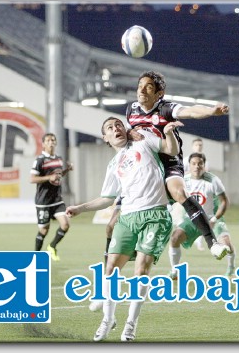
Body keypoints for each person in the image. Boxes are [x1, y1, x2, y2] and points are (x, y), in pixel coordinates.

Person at [66, 116, 182, 342]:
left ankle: (130, 324)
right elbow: (107, 198)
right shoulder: (113, 165)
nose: (115, 128)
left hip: (155, 215)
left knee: (141, 270)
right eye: (110, 128)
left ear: (125, 129)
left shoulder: (143, 140)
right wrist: (80, 208)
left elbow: (171, 149)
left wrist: (168, 132)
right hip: (127, 218)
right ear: (105, 138)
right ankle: (108, 320)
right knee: (110, 270)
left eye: (118, 125)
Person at [124, 70, 230, 260]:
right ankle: (128, 246)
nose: (142, 90)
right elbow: (128, 136)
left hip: (169, 160)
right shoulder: (131, 110)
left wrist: (211, 110)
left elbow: (190, 110)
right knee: (130, 202)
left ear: (159, 94)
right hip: (145, 165)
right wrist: (128, 133)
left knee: (180, 193)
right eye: (140, 85)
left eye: (148, 87)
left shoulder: (166, 108)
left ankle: (212, 242)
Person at [169, 152, 236, 279]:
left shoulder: (213, 180)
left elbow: (224, 202)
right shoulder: (183, 181)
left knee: (226, 244)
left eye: (200, 164)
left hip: (212, 218)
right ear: (189, 165)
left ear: (204, 165)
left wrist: (215, 218)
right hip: (192, 219)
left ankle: (231, 267)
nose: (197, 166)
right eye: (193, 164)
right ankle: (175, 271)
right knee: (174, 238)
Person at [30, 133, 73, 261]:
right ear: (43, 144)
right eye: (48, 140)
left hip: (57, 199)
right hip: (43, 201)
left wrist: (67, 170)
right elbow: (32, 179)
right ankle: (36, 257)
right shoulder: (39, 160)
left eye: (53, 140)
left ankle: (52, 246)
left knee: (65, 224)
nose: (51, 142)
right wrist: (49, 177)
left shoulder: (59, 159)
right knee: (44, 230)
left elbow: (58, 175)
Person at [184, 138, 209, 251]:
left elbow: (206, 174)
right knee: (183, 215)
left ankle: (198, 241)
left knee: (200, 214)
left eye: (200, 145)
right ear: (192, 146)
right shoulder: (185, 160)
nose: (198, 147)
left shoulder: (205, 161)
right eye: (196, 145)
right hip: (187, 190)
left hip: (200, 191)